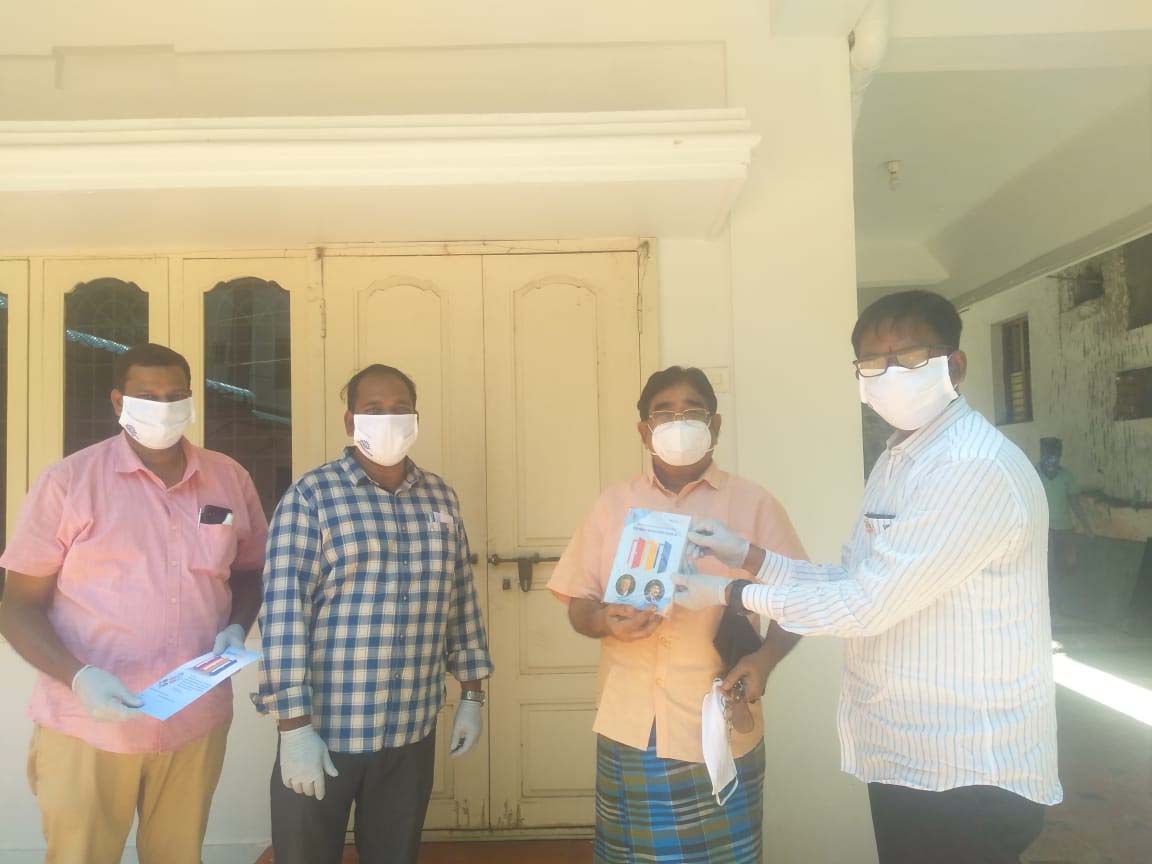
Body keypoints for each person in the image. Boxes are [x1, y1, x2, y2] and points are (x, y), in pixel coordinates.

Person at [677, 291, 1061, 864]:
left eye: (910, 358)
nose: (890, 375)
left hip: (967, 768)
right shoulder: (899, 458)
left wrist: (730, 592)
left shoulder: (970, 467)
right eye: (873, 363)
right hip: (910, 753)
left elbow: (865, 605)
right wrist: (747, 556)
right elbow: (853, 577)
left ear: (955, 365)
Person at [0, 343, 268, 864]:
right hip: (87, 723)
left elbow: (249, 572)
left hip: (194, 718)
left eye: (175, 396)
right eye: (147, 395)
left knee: (177, 856)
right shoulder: (68, 482)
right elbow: (17, 606)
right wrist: (78, 676)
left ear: (191, 399)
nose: (163, 407)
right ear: (118, 401)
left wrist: (238, 626)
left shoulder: (228, 478)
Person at [547, 365, 807, 864]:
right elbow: (579, 601)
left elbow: (800, 599)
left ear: (716, 425)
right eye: (664, 413)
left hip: (720, 723)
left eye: (692, 412)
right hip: (631, 724)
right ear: (644, 430)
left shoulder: (754, 504)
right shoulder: (613, 505)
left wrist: (765, 661)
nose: (678, 422)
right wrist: (603, 620)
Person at [255, 363, 493, 864]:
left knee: (395, 854)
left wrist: (472, 693)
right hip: (325, 729)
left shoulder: (440, 497)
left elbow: (459, 598)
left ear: (416, 418)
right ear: (350, 421)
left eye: (400, 408)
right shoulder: (311, 497)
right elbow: (283, 615)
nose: (389, 418)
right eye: (374, 409)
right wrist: (293, 729)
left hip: (410, 728)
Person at [1037, 436, 1092, 612]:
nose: (1051, 461)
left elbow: (1075, 502)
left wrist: (1086, 525)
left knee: (1070, 562)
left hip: (1065, 527)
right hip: (1043, 529)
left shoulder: (1066, 476)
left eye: (1055, 457)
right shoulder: (1033, 474)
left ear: (1059, 457)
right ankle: (1050, 603)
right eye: (1048, 457)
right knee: (1048, 566)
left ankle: (1068, 599)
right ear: (1042, 455)